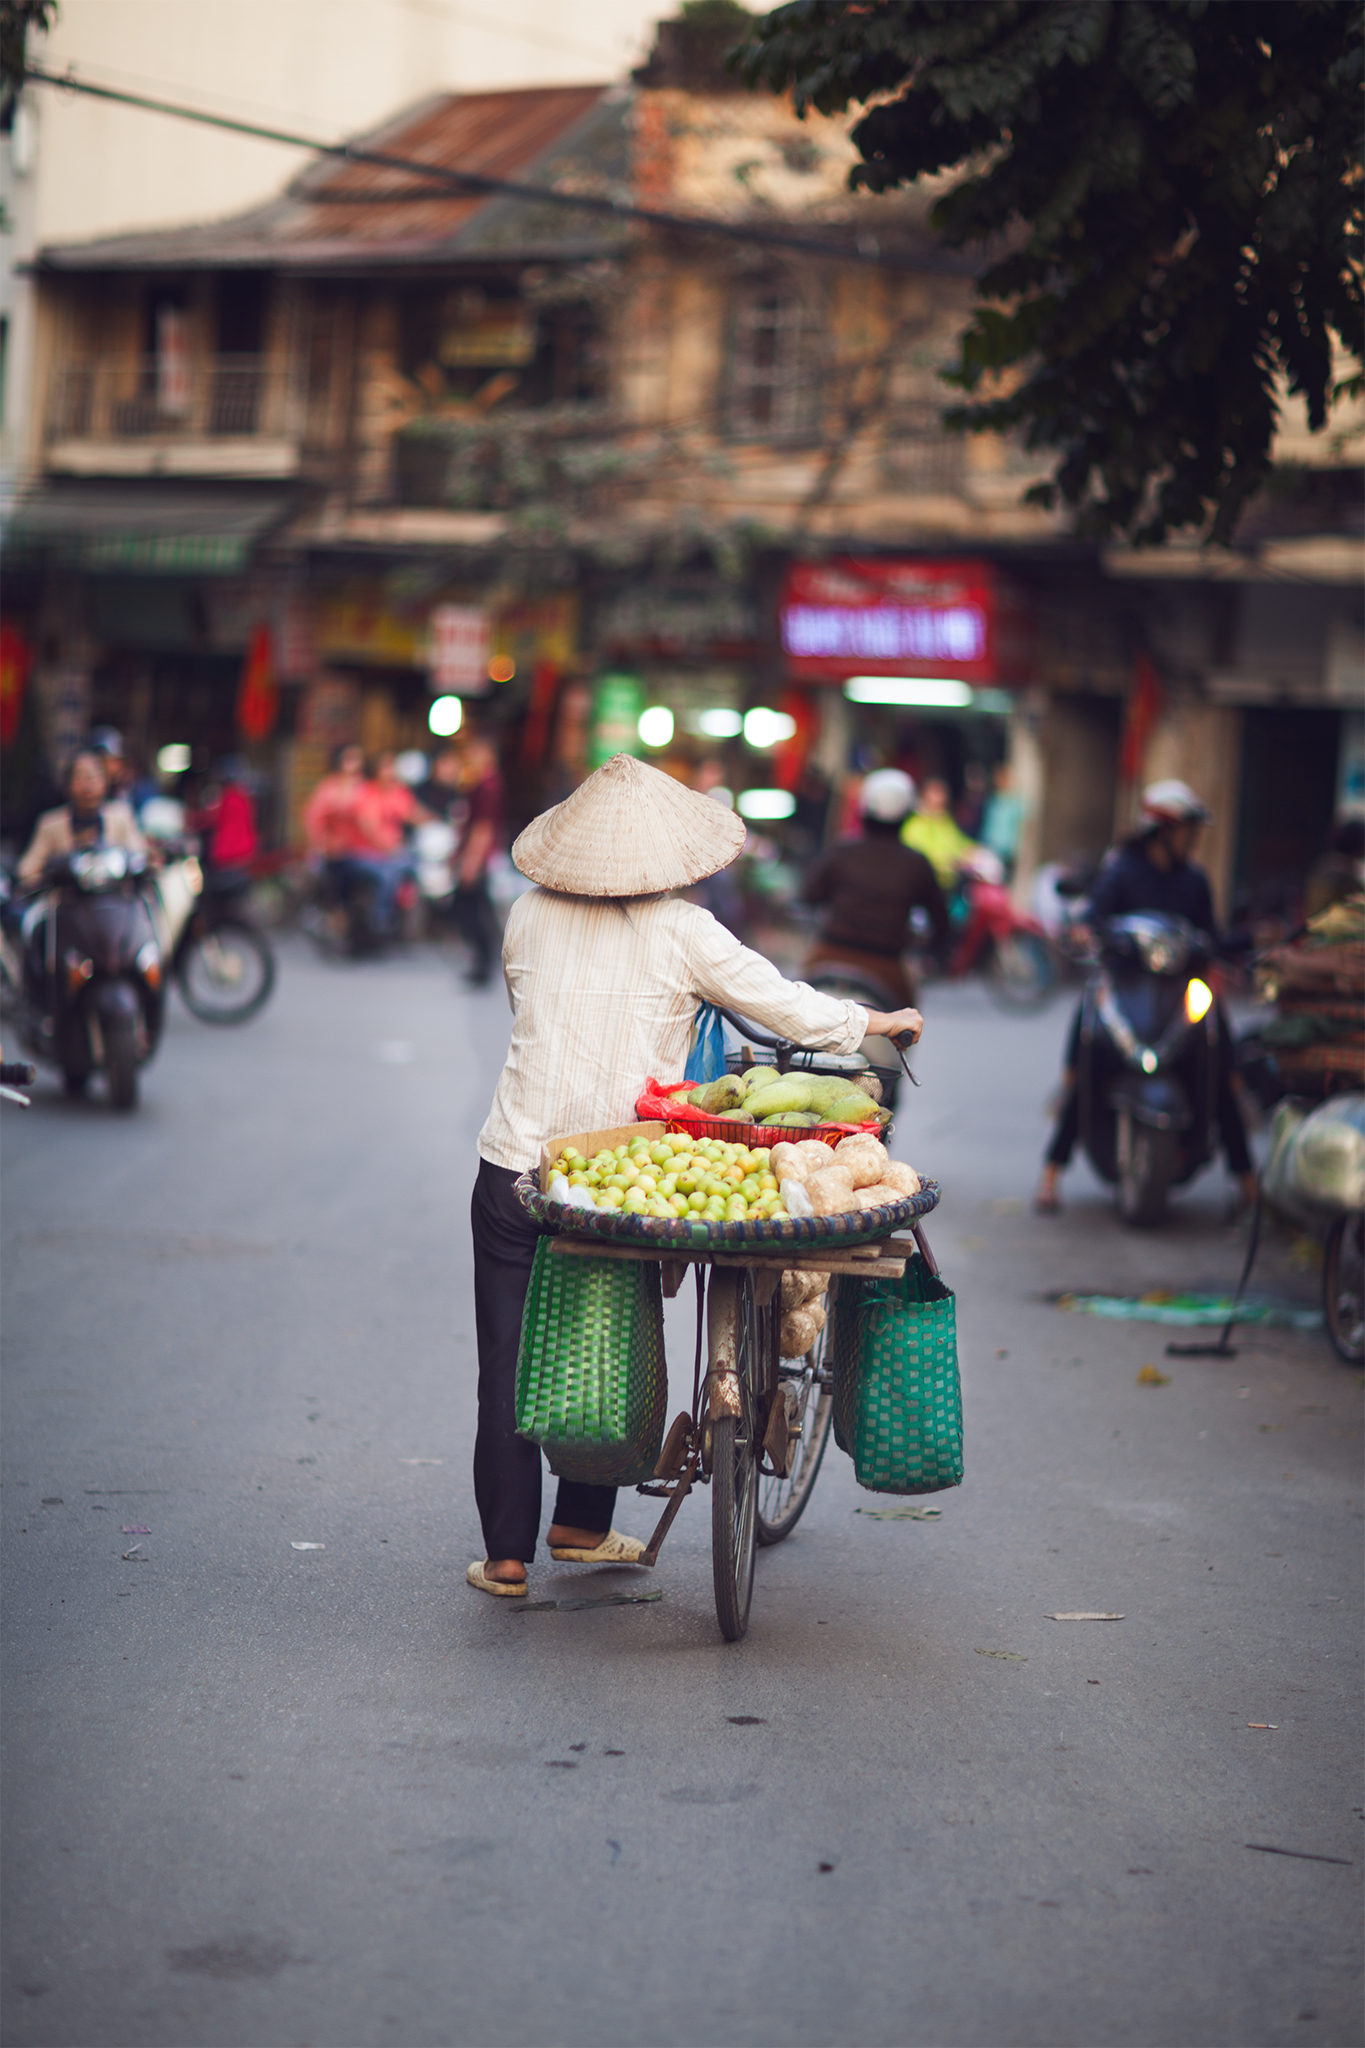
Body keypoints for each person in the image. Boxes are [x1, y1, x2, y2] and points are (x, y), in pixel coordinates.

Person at [467, 752, 925, 1596]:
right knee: (605, 1330)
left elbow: (525, 1008)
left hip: (513, 1162)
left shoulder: (526, 914)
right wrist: (872, 1022)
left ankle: (505, 1555)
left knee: (507, 1355)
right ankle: (581, 1524)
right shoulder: (683, 929)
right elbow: (779, 1001)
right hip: (614, 1172)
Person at [1035, 779, 1255, 1213]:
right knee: (1089, 1049)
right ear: (1162, 830)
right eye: (1187, 830)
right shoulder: (1121, 871)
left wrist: (1239, 944)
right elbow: (1093, 918)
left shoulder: (1194, 880)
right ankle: (1050, 1174)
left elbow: (1211, 933)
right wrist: (1084, 931)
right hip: (1125, 985)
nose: (1192, 840)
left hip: (1181, 991)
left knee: (1216, 1053)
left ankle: (1247, 1181)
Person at [801, 768, 949, 1009]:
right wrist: (935, 952)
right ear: (908, 815)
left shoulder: (842, 852)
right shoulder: (917, 864)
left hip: (829, 954)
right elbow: (940, 918)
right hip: (887, 966)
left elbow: (810, 896)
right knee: (905, 1027)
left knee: (797, 1013)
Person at [18, 747, 146, 885]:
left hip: (114, 896)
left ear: (104, 783)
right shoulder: (50, 824)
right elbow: (27, 869)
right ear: (67, 787)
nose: (87, 787)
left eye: (92, 779)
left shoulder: (122, 817)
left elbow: (138, 853)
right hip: (66, 899)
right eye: (79, 779)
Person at [448, 737, 504, 987]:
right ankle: (485, 959)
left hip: (478, 854)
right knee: (479, 906)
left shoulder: (488, 785)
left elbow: (483, 828)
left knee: (469, 907)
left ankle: (484, 958)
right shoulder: (482, 782)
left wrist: (471, 860)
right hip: (477, 852)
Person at [900, 777, 978, 893]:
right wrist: (949, 862)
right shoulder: (916, 824)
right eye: (935, 793)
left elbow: (958, 842)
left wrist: (972, 851)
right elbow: (918, 856)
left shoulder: (945, 820)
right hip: (925, 888)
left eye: (942, 793)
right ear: (924, 796)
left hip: (948, 886)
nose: (940, 798)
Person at [981, 761, 1028, 878]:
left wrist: (1019, 849)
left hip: (1007, 849)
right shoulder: (992, 799)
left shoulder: (1016, 802)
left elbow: (1023, 826)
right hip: (990, 846)